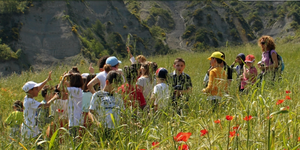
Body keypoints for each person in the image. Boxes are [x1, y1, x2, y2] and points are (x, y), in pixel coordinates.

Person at [21, 71, 59, 140]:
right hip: (30, 129)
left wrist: (47, 80)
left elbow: (39, 88)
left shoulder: (27, 98)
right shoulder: (30, 102)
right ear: (30, 90)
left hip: (32, 128)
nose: (38, 90)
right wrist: (55, 97)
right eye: (36, 89)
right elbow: (46, 105)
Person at [88, 71, 124, 141]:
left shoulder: (118, 97)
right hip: (102, 129)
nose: (116, 88)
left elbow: (123, 113)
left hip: (116, 129)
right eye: (114, 85)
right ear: (107, 82)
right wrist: (97, 123)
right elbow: (91, 112)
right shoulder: (98, 95)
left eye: (118, 86)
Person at [58, 72, 84, 138]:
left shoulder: (73, 90)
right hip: (79, 118)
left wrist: (63, 78)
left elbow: (59, 87)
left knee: (73, 139)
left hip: (74, 119)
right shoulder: (78, 90)